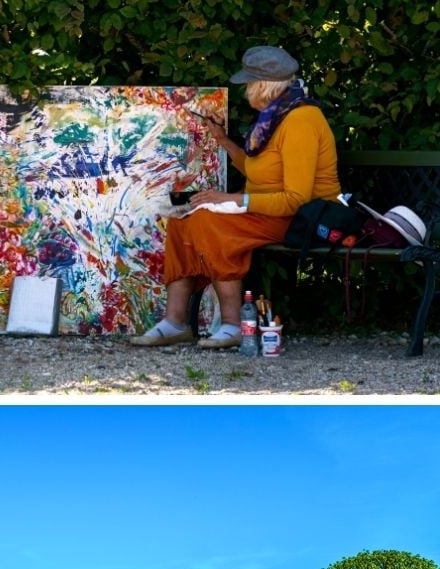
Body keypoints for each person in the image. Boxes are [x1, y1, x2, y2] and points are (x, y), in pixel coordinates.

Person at [130, 45, 341, 349]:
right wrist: (223, 141)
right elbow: (260, 171)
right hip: (266, 208)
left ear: (264, 86)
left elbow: (295, 199)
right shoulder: (275, 115)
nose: (245, 92)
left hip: (302, 217)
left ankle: (233, 325)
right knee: (183, 220)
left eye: (249, 84)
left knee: (211, 223)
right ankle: (175, 321)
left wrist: (231, 201)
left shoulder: (301, 120)